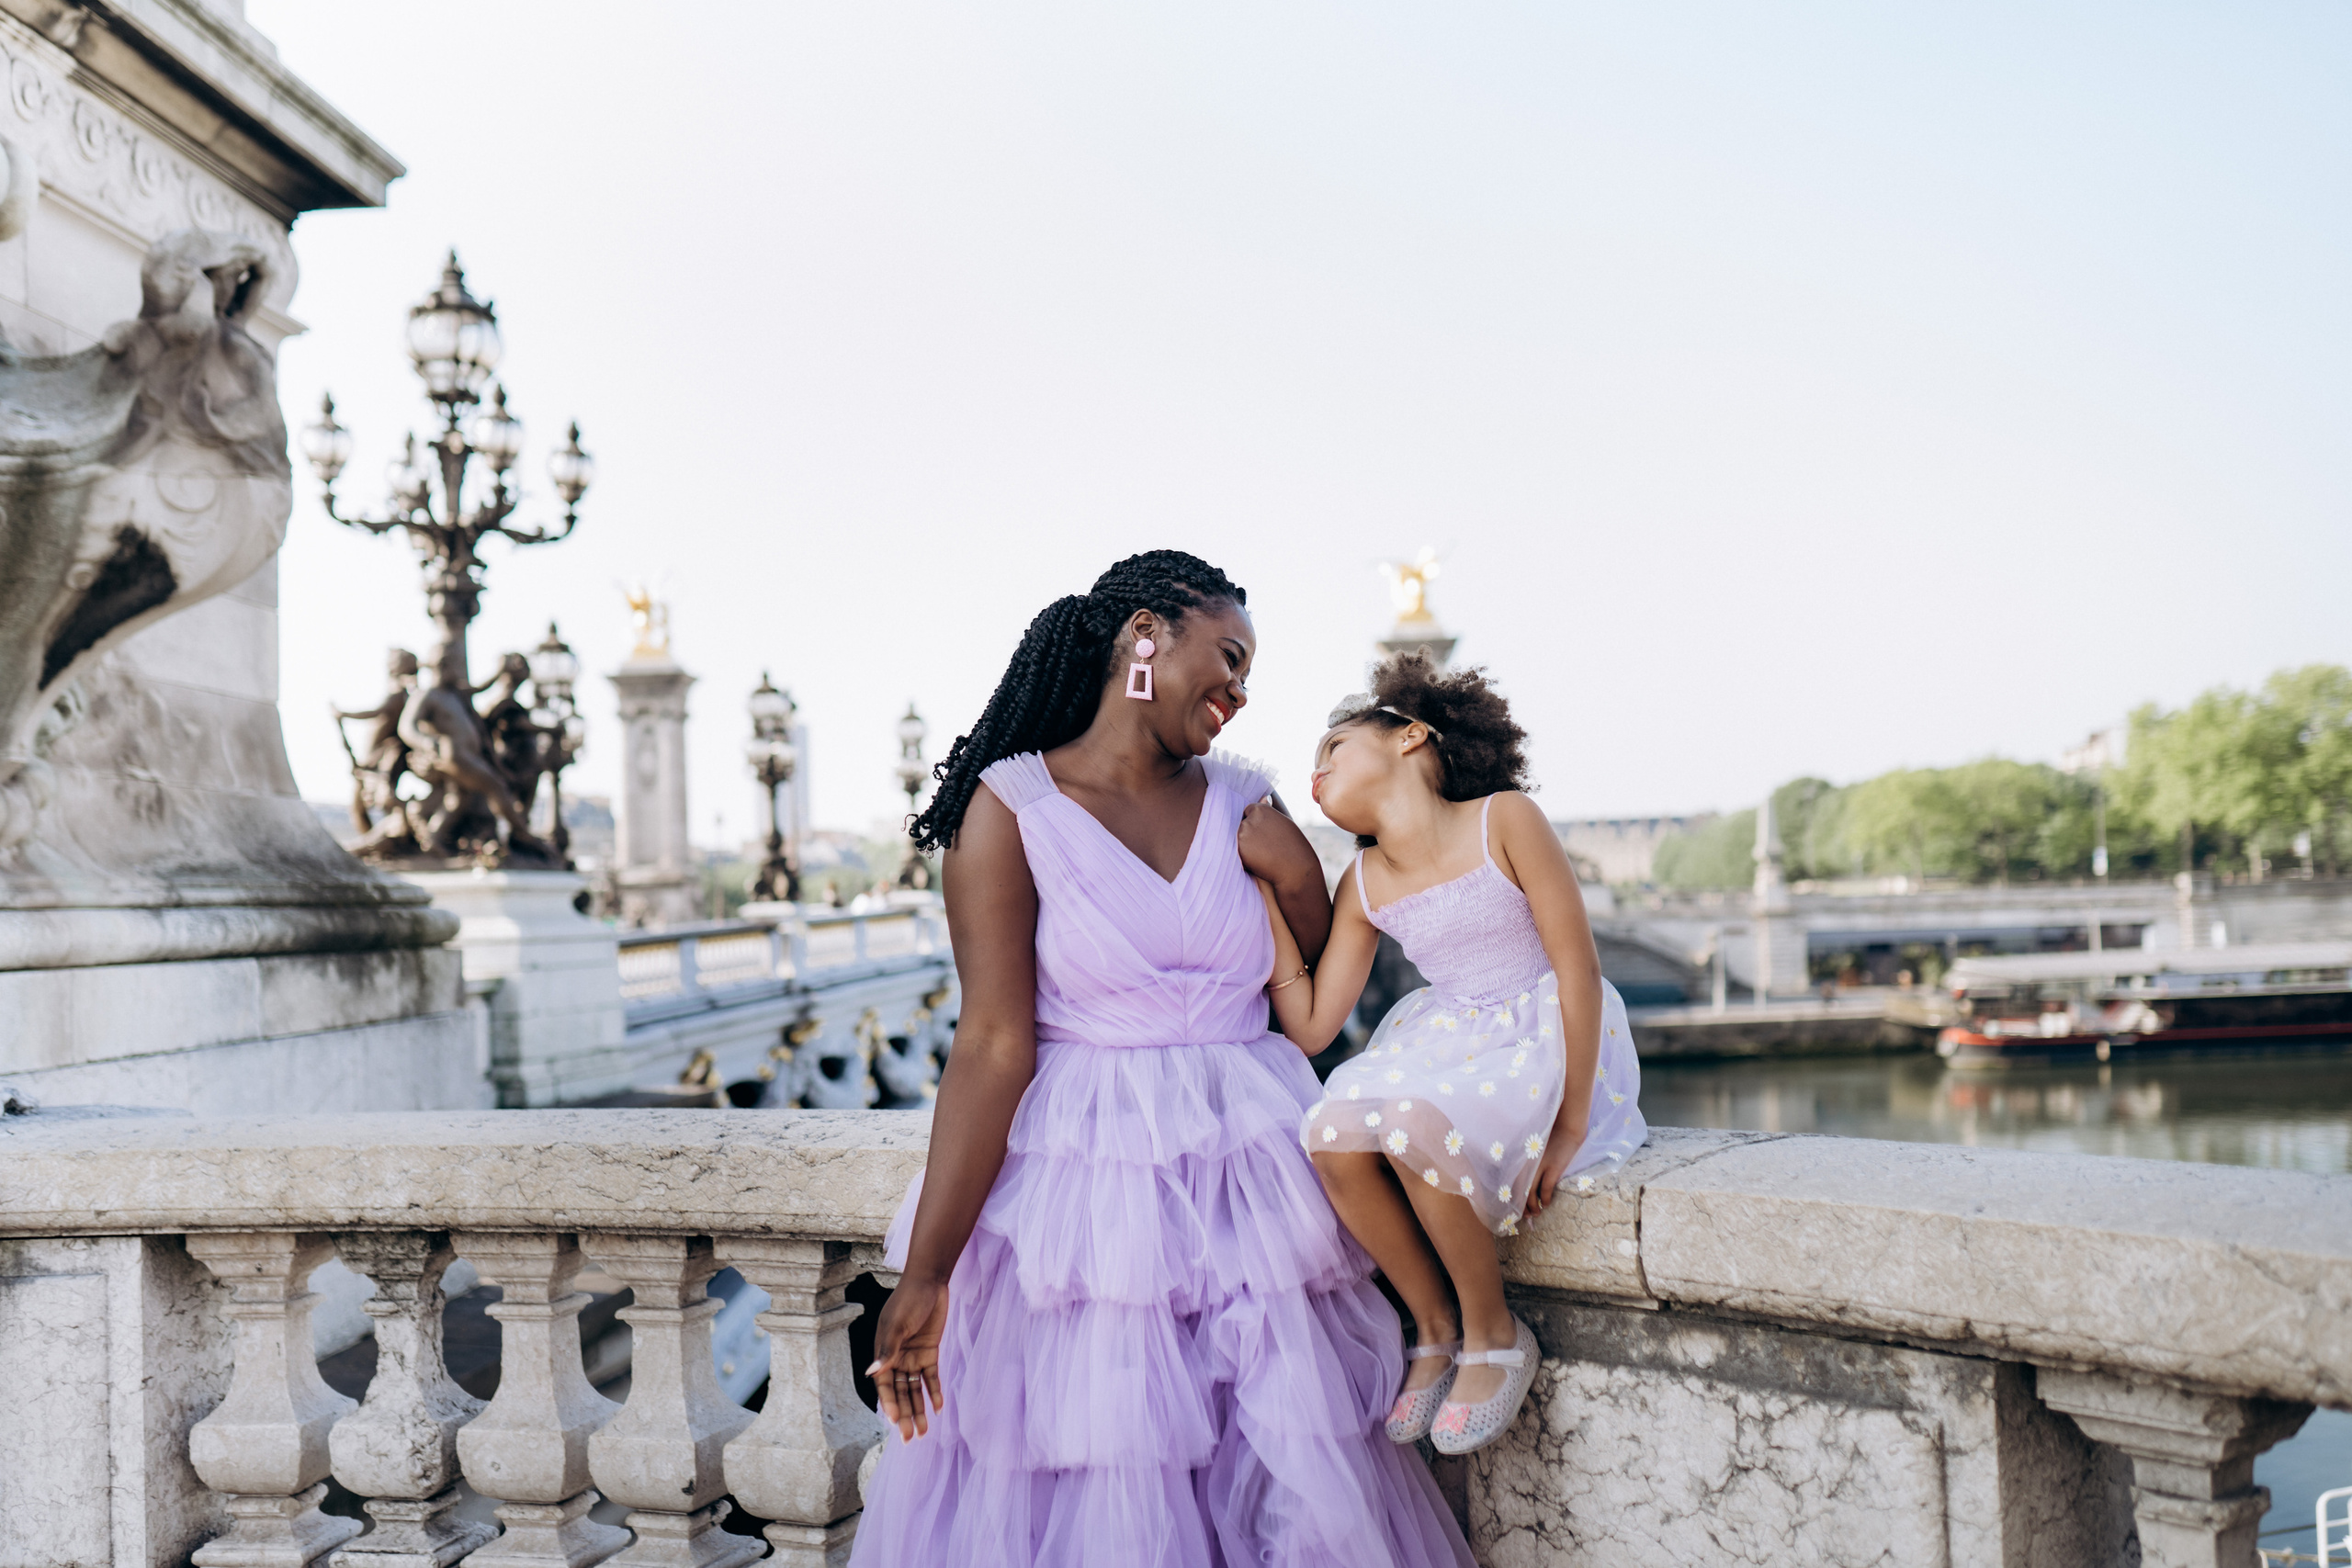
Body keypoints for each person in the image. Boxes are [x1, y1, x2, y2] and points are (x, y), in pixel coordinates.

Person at [855, 551, 1474, 1568]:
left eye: (1248, 674)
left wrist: (1300, 872)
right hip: (1088, 1200)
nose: (1238, 691)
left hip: (1258, 1181)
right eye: (1226, 658)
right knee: (1110, 1487)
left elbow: (1317, 984)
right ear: (1145, 636)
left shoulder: (1247, 802)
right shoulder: (1005, 808)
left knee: (1294, 1473)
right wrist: (926, 1272)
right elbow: (995, 1041)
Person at [1261, 653, 1648, 1457]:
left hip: (1550, 1032)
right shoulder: (1362, 879)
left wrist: (1571, 1122)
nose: (1318, 769)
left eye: (1334, 745)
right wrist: (1260, 893)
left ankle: (1492, 1330)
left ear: (1410, 736)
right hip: (1453, 1037)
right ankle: (1433, 1329)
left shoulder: (1504, 818)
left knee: (1409, 1122)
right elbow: (1311, 1028)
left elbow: (1577, 966)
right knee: (1330, 1129)